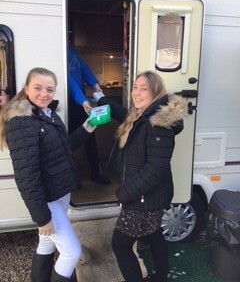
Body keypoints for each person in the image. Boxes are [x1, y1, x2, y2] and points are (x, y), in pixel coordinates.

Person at [0, 67, 96, 282]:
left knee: (47, 242)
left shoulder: (48, 114)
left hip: (60, 192)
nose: (44, 94)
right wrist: (42, 217)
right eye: (38, 88)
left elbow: (65, 146)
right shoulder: (21, 122)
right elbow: (26, 175)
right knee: (71, 252)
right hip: (48, 199)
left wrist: (88, 127)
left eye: (50, 89)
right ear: (26, 89)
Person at [93, 70, 188, 282]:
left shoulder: (157, 125)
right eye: (135, 87)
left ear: (155, 93)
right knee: (154, 236)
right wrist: (101, 99)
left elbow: (156, 168)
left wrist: (124, 193)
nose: (136, 92)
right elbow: (122, 113)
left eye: (143, 89)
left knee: (120, 245)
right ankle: (161, 277)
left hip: (143, 199)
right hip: (150, 196)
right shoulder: (143, 116)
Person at [67, 44, 111, 185]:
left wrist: (95, 84)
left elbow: (83, 68)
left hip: (81, 103)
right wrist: (82, 100)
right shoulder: (57, 48)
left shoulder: (71, 49)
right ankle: (70, 177)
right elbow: (69, 82)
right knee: (68, 142)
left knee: (90, 138)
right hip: (69, 104)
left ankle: (96, 173)